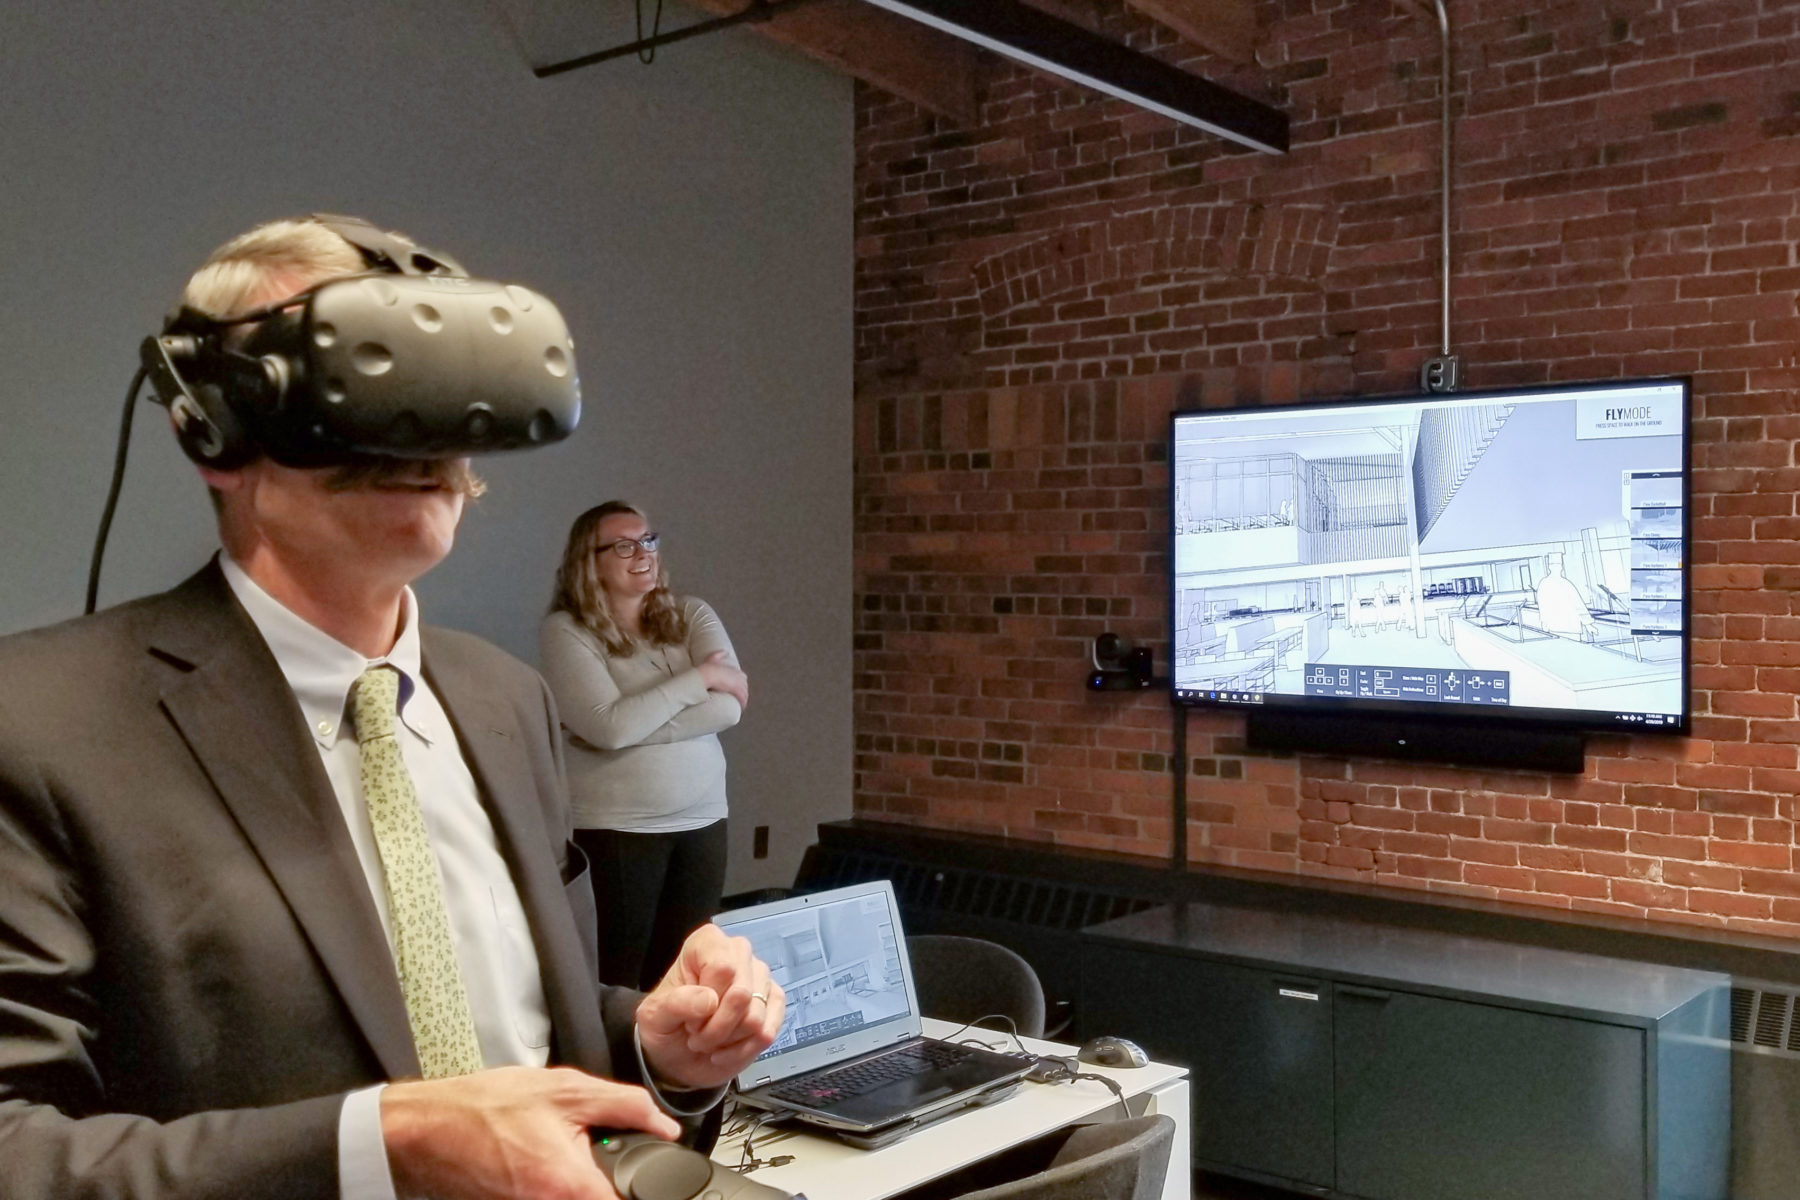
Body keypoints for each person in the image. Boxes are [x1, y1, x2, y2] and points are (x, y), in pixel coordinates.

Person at [0, 217, 784, 1200]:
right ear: (213, 428)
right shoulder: (38, 727)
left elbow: (524, 1018)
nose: (423, 436)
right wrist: (381, 1144)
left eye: (445, 386)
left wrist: (653, 1046)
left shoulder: (506, 702)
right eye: (358, 379)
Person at [540, 503, 747, 990]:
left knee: (686, 976)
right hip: (618, 828)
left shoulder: (692, 613)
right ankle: (617, 1070)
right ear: (588, 562)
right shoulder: (567, 631)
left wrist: (629, 723)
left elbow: (730, 708)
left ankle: (672, 1071)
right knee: (621, 980)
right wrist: (701, 677)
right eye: (624, 545)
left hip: (703, 820)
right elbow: (608, 729)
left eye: (648, 540)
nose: (643, 553)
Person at [1534, 550, 1597, 640]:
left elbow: (1578, 605)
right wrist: (1587, 624)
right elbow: (1578, 605)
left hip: (1562, 627)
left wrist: (1588, 624)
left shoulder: (1547, 583)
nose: (1558, 568)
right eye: (1556, 565)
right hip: (1565, 628)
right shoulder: (1561, 584)